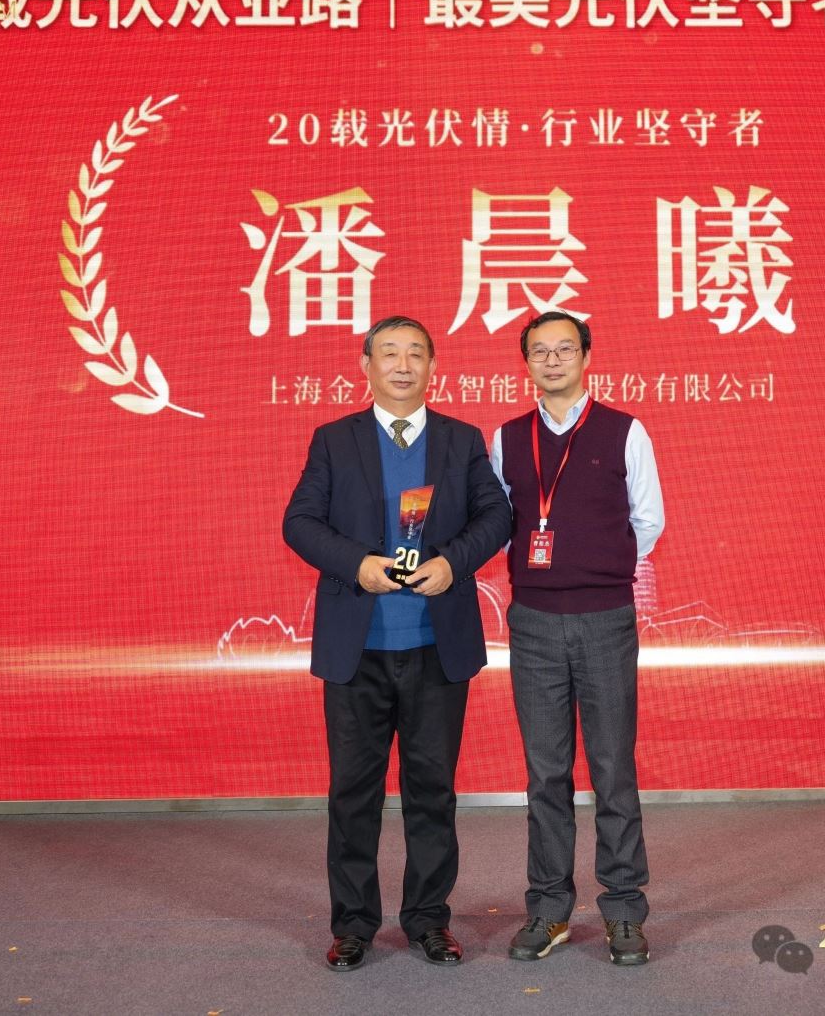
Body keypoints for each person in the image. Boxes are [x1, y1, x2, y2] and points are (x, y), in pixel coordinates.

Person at [283, 315, 511, 971]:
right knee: (353, 793)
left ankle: (428, 921)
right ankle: (354, 924)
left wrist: (451, 562)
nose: (403, 365)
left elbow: (496, 515)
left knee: (431, 790)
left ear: (433, 366)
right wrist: (357, 564)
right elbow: (299, 522)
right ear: (366, 365)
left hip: (437, 646)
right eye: (389, 353)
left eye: (415, 353)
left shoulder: (462, 439)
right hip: (357, 648)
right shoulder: (334, 439)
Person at [490, 311, 665, 967]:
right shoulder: (507, 438)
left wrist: (598, 568)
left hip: (604, 619)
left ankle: (623, 909)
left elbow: (648, 519)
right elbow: (499, 520)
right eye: (540, 351)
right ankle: (549, 908)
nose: (553, 360)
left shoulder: (625, 430)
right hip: (533, 621)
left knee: (613, 769)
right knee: (546, 774)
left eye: (565, 349)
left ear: (587, 357)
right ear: (526, 363)